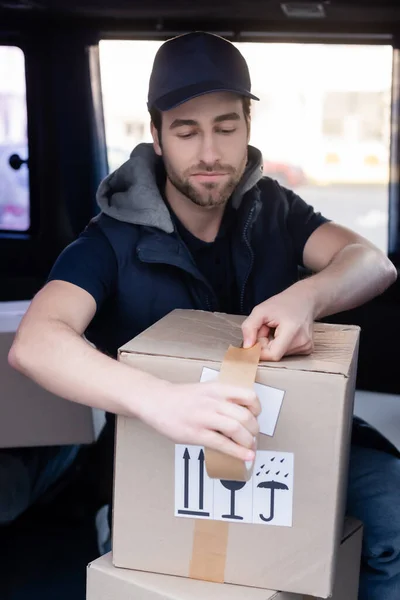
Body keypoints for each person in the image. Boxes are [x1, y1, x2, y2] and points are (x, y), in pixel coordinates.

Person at [7, 31, 399, 599]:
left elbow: (372, 262)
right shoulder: (110, 238)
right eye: (187, 131)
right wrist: (162, 400)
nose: (210, 153)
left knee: (388, 509)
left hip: (290, 433)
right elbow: (36, 342)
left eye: (225, 127)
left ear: (247, 128)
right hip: (161, 443)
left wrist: (306, 296)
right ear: (158, 136)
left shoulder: (277, 212)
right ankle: (111, 523)